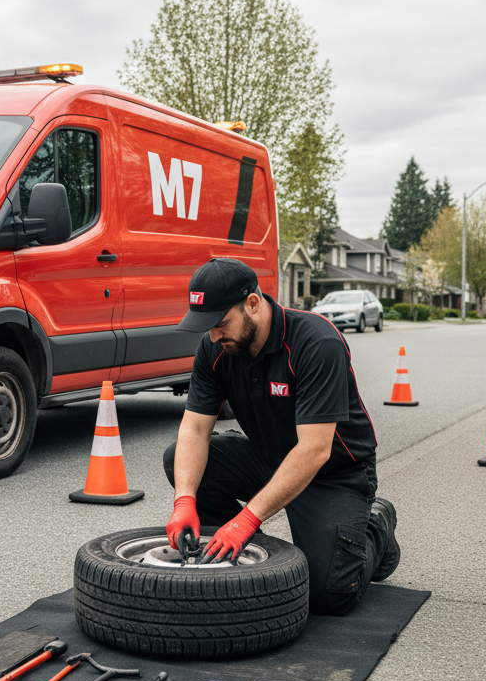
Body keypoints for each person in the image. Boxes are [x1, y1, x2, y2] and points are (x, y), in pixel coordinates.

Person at [164, 257, 399, 615]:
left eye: (221, 324)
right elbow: (195, 428)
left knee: (329, 593)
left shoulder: (316, 342)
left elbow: (315, 450)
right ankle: (260, 560)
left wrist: (247, 518)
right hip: (269, 459)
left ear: (253, 305)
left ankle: (375, 527)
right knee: (178, 461)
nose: (212, 336)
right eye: (206, 326)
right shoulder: (216, 348)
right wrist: (184, 501)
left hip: (333, 474)